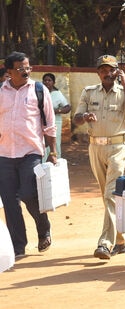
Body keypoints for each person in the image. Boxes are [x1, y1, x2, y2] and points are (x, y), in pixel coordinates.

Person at [73, 55, 125, 260]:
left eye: (111, 69)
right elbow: (76, 118)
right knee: (107, 196)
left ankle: (105, 243)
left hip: (118, 147)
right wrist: (84, 118)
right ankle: (120, 239)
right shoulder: (89, 92)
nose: (107, 73)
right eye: (103, 70)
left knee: (111, 194)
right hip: (95, 147)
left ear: (117, 71)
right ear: (98, 73)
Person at [0, 51, 57, 258]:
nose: (26, 72)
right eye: (21, 68)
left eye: (28, 67)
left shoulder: (39, 90)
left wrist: (53, 151)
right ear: (9, 71)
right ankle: (18, 247)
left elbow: (49, 124)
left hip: (31, 152)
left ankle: (43, 229)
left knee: (28, 193)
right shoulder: (1, 91)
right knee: (9, 202)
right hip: (4, 154)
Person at [42, 73, 71, 157]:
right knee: (42, 143)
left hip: (55, 122)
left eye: (49, 80)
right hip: (41, 122)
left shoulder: (57, 94)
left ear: (53, 82)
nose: (47, 82)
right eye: (45, 80)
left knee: (55, 141)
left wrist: (57, 110)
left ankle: (55, 160)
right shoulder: (39, 93)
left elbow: (67, 107)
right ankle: (42, 164)